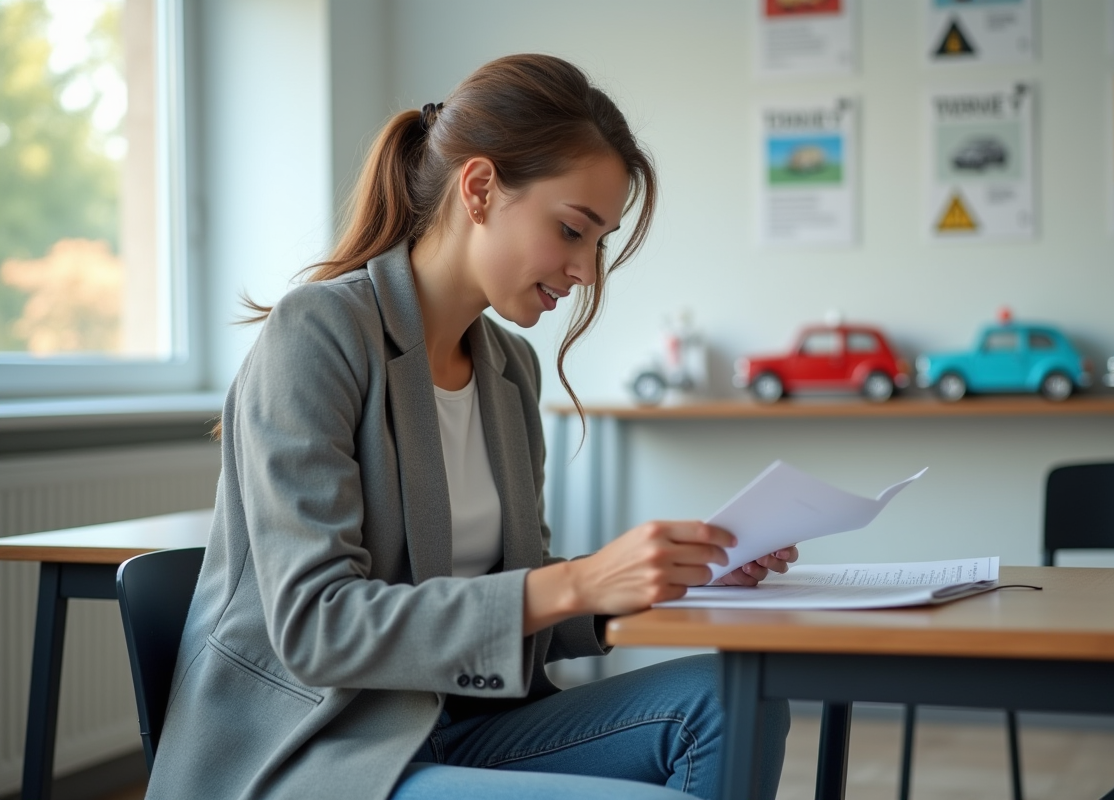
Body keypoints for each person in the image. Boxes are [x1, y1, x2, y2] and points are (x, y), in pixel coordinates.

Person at [148, 54, 795, 800]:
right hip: (323, 751)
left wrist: (655, 581)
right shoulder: (318, 332)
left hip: (465, 724)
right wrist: (578, 580)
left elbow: (523, 609)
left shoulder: (510, 369)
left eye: (599, 242)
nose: (586, 269)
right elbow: (316, 626)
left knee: (733, 698)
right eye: (571, 229)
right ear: (481, 188)